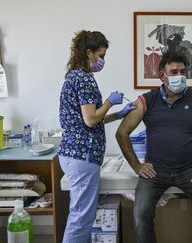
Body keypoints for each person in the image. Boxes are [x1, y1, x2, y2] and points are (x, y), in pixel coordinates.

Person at [116, 53, 192, 243]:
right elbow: (122, 132)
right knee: (141, 212)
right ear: (162, 76)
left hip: (189, 170)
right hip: (155, 171)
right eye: (173, 72)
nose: (179, 76)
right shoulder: (146, 100)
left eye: (183, 72)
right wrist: (137, 166)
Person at [58, 30, 135, 243]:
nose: (102, 61)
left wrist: (119, 114)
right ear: (89, 52)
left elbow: (89, 120)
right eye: (100, 55)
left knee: (81, 215)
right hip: (82, 156)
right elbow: (91, 119)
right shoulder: (84, 79)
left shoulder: (74, 76)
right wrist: (110, 101)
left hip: (75, 154)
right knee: (81, 218)